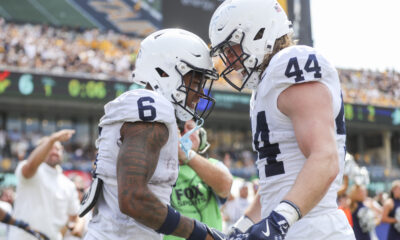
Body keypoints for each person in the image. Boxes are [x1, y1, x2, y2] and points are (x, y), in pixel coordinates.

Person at [208, 0, 355, 239]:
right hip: (291, 224)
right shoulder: (265, 86)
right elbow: (275, 182)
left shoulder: (291, 63)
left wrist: (279, 221)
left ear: (259, 32)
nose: (229, 60)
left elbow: (325, 158)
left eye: (232, 48)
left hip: (315, 228)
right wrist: (241, 228)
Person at [82, 29, 224, 240]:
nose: (200, 94)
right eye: (195, 82)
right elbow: (133, 199)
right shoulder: (153, 111)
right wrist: (202, 233)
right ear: (164, 73)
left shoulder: (150, 112)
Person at [164, 120, 233, 240]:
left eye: (190, 127)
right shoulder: (158, 169)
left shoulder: (214, 165)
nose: (186, 132)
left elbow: (225, 186)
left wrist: (186, 154)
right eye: (180, 129)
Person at [8, 129, 80, 240]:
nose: (54, 151)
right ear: (39, 151)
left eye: (58, 149)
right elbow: (31, 165)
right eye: (50, 148)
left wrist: (77, 225)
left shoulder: (68, 185)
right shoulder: (29, 170)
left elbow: (75, 216)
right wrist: (53, 138)